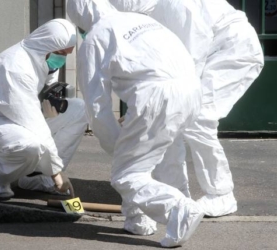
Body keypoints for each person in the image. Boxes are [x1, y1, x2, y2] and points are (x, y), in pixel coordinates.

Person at [67, 0, 204, 247]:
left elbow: (97, 106)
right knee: (165, 155)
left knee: (128, 174)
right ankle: (140, 221)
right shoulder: (142, 20)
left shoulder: (96, 38)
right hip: (191, 90)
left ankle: (178, 209)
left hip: (155, 96)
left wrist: (117, 148)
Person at [109, 0, 264, 217]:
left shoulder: (172, 6)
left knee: (199, 118)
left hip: (234, 51)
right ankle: (175, 192)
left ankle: (222, 194)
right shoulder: (156, 13)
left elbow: (191, 55)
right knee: (175, 119)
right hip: (216, 50)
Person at [0, 19, 88, 199]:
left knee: (79, 109)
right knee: (29, 144)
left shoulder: (43, 59)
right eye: (60, 53)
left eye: (67, 54)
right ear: (47, 45)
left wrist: (48, 101)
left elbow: (39, 97)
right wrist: (56, 171)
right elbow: (34, 124)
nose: (62, 59)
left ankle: (35, 177)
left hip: (17, 119)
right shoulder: (15, 67)